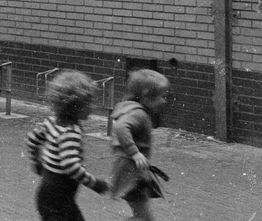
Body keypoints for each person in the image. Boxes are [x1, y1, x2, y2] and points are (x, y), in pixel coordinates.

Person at [26, 70, 109, 221]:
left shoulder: (51, 122)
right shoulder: (70, 132)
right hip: (60, 199)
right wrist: (95, 184)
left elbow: (32, 139)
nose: (93, 107)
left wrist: (36, 162)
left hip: (46, 194)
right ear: (75, 106)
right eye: (89, 103)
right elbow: (71, 166)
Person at [110, 70, 171, 221]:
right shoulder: (139, 114)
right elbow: (121, 127)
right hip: (131, 173)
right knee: (144, 218)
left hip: (129, 170)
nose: (165, 101)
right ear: (146, 96)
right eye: (162, 96)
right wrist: (135, 153)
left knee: (142, 216)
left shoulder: (131, 109)